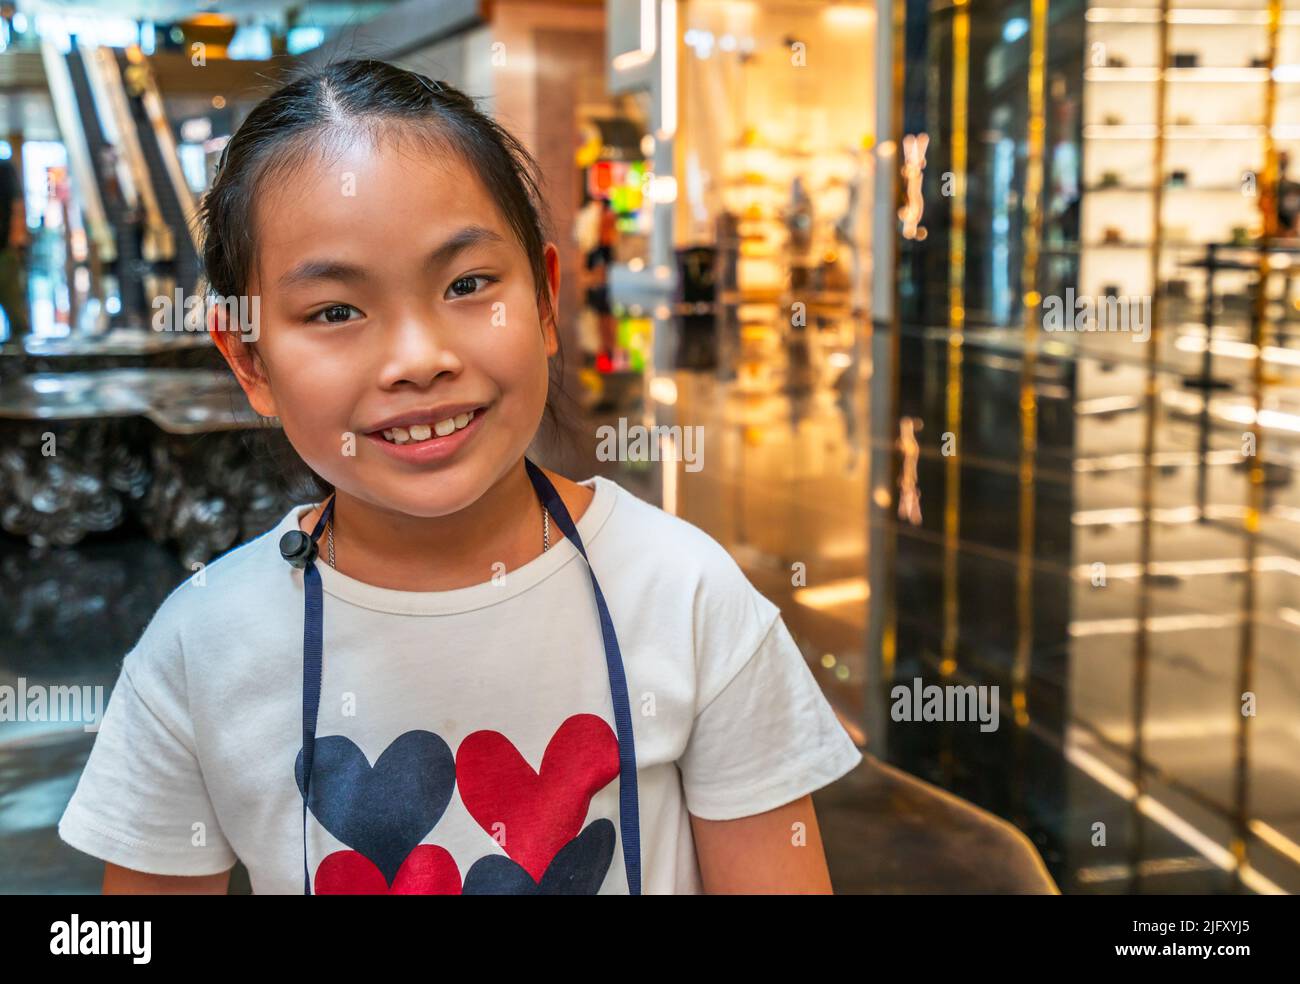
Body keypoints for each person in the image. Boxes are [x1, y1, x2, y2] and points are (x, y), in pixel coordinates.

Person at [56, 60, 862, 895]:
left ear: (545, 303)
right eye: (335, 311)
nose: (419, 360)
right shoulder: (200, 651)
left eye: (468, 285)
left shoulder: (686, 598)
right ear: (249, 360)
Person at [0, 153, 29, 341]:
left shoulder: (4, 169)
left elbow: (18, 205)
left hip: (4, 250)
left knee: (15, 311)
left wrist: (16, 241)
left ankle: (21, 360)